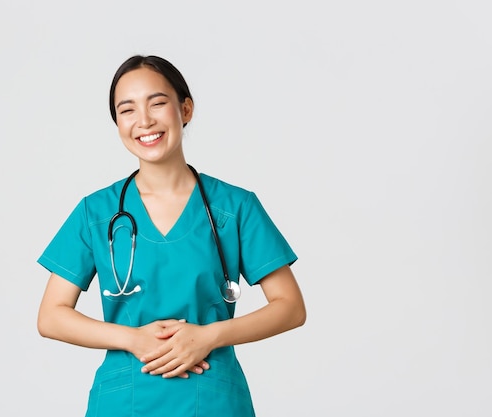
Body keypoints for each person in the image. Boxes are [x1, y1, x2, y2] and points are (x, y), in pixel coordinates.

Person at [37, 55, 306, 417]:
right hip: (125, 400)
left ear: (186, 109)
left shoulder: (234, 207)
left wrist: (209, 336)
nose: (144, 121)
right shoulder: (96, 213)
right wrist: (134, 339)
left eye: (158, 103)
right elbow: (51, 316)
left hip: (213, 400)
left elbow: (290, 306)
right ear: (117, 123)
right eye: (127, 110)